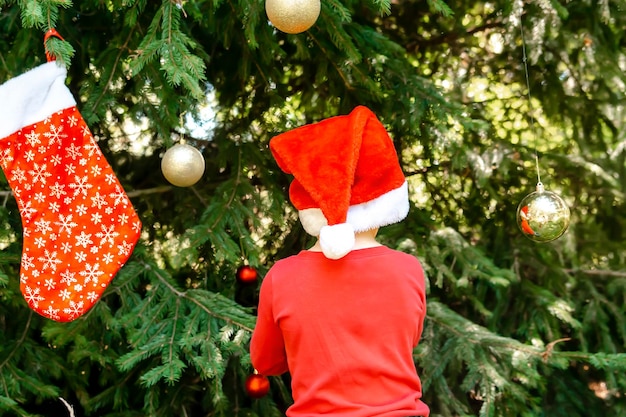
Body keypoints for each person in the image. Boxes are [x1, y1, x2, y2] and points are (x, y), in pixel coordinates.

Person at [250, 106, 429, 417]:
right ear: (384, 203)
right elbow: (404, 343)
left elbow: (266, 363)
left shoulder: (282, 278)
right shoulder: (408, 270)